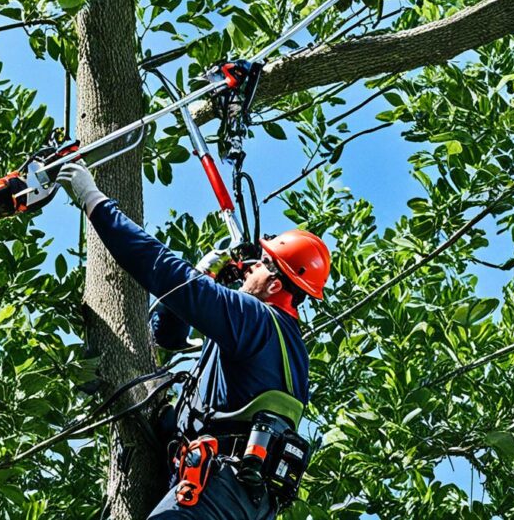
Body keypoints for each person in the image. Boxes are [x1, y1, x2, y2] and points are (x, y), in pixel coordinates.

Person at [57, 162, 330, 519]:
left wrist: (94, 200)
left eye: (262, 263)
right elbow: (166, 334)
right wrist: (205, 274)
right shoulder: (284, 345)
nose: (248, 267)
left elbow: (163, 271)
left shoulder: (254, 319)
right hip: (242, 499)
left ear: (276, 285)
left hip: (216, 491)